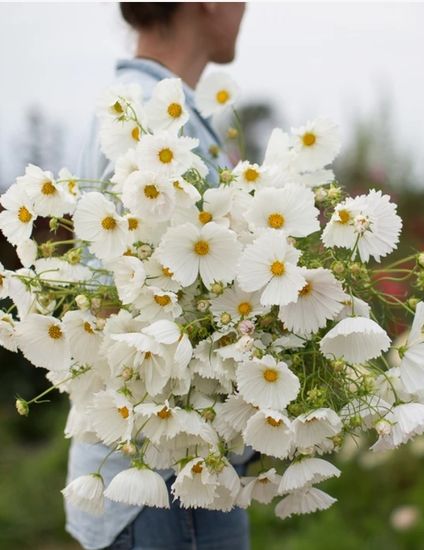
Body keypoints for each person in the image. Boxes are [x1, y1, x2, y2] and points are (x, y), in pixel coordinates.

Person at [65, 3, 249, 550]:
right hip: (162, 477)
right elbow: (112, 303)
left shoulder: (153, 107)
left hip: (166, 470)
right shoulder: (149, 113)